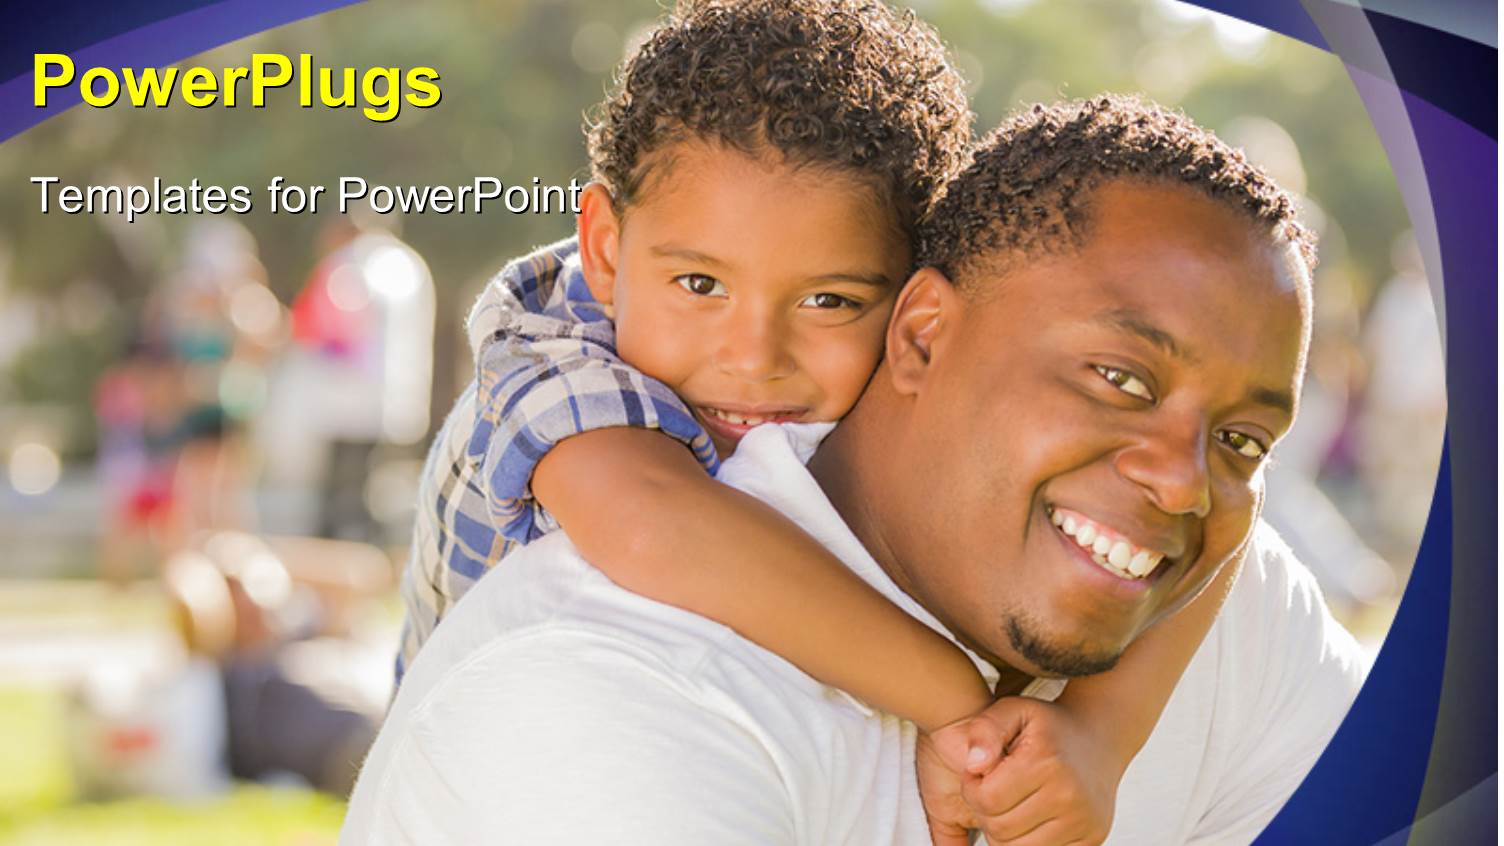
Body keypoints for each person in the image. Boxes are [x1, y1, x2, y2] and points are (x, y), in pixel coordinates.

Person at [348, 95, 1364, 844]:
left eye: (1238, 438)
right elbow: (656, 527)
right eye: (1118, 378)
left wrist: (1097, 737)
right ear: (922, 336)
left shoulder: (1215, 581)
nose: (1184, 483)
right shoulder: (612, 662)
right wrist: (963, 708)